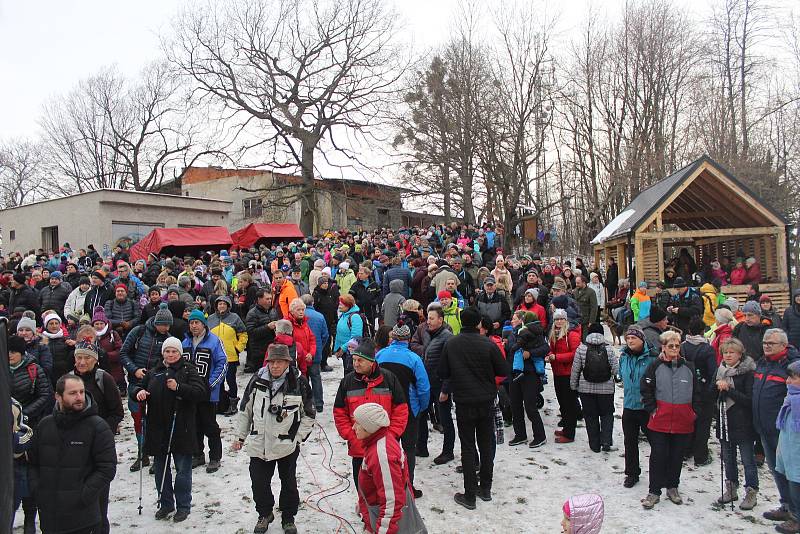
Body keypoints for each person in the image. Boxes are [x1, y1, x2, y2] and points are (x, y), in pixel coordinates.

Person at [232, 343, 316, 534]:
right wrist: (240, 436)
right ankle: (265, 513)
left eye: (280, 362)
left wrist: (298, 438)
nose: (275, 366)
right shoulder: (257, 380)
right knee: (259, 483)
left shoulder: (299, 382)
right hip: (259, 443)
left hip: (287, 445)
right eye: (272, 362)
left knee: (288, 484)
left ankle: (288, 518)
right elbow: (245, 410)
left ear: (288, 362)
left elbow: (309, 414)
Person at [28, 374, 117, 534]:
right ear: (58, 396)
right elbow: (33, 463)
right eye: (72, 393)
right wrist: (38, 491)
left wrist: (83, 495)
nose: (79, 397)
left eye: (82, 392)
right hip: (50, 519)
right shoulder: (44, 426)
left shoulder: (97, 426)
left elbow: (107, 468)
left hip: (84, 519)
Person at [438, 307, 508, 509]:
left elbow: (443, 371)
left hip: (464, 401)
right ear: (478, 323)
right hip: (485, 400)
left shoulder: (452, 343)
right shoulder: (488, 344)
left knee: (468, 446)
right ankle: (485, 488)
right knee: (486, 445)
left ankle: (470, 495)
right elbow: (503, 370)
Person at [134, 337, 208, 523]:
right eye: (167, 351)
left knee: (183, 470)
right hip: (157, 428)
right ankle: (166, 503)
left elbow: (200, 393)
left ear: (180, 353)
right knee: (161, 469)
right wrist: (138, 393)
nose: (170, 354)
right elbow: (136, 388)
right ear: (163, 353)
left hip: (181, 427)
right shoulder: (154, 371)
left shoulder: (189, 369)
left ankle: (183, 505)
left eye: (174, 351)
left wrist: (179, 387)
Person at [333, 338, 409, 487]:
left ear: (371, 362)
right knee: (362, 487)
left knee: (386, 486)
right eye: (354, 359)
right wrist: (350, 435)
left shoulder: (389, 379)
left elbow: (401, 410)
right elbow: (339, 412)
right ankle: (364, 509)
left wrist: (392, 434)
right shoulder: (347, 382)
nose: (355, 364)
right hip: (359, 447)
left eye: (360, 360)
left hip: (384, 448)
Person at [640, 330, 700, 509]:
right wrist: (652, 409)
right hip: (660, 419)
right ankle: (654, 490)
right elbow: (645, 388)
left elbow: (697, 392)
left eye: (677, 345)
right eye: (670, 345)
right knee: (658, 455)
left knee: (676, 455)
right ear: (663, 347)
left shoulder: (688, 366)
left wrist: (693, 412)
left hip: (683, 420)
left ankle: (673, 486)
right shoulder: (655, 365)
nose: (674, 348)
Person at [375, 321, 430, 494]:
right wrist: (422, 408)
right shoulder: (414, 358)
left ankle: (386, 485)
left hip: (384, 409)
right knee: (408, 449)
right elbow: (423, 387)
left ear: (393, 338)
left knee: (385, 449)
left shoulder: (380, 355)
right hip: (408, 409)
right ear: (407, 339)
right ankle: (407, 486)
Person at [353, 403, 425, 534]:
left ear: (369, 427)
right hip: (376, 512)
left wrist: (383, 530)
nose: (353, 427)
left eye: (358, 423)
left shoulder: (382, 455)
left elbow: (392, 500)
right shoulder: (375, 442)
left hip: (386, 520)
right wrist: (364, 505)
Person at [753, 328, 800, 525]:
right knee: (777, 470)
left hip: (784, 430)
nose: (766, 346)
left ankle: (796, 514)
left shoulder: (791, 366)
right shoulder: (762, 362)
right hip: (763, 426)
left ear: (783, 345)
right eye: (764, 342)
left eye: (770, 343)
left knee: (792, 472)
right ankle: (786, 505)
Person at [120, 303, 174, 471]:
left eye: (168, 325)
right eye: (163, 324)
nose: (165, 328)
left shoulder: (168, 340)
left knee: (156, 420)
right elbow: (124, 353)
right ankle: (141, 454)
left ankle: (156, 453)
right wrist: (134, 369)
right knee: (138, 420)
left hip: (155, 386)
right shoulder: (139, 332)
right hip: (136, 383)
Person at [9, 334, 52, 534]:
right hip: (7, 431)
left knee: (29, 477)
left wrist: (24, 414)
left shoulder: (34, 369)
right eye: (7, 352)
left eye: (14, 353)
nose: (10, 356)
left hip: (29, 429)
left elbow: (45, 394)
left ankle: (29, 519)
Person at [715, 337, 759, 510]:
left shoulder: (747, 373)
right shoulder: (720, 370)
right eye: (725, 352)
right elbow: (712, 393)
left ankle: (751, 491)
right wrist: (717, 388)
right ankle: (731, 488)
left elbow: (749, 400)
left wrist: (729, 390)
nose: (728, 355)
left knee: (748, 460)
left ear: (740, 354)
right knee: (728, 458)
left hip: (743, 423)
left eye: (731, 352)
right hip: (724, 421)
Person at [182, 308, 228, 471]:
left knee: (210, 425)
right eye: (191, 323)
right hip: (191, 393)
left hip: (208, 393)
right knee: (193, 425)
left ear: (203, 324)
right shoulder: (185, 342)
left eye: (197, 322)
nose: (194, 326)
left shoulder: (214, 341)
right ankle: (198, 454)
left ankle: (215, 456)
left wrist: (210, 383)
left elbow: (222, 363)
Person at [410, 303, 455, 465]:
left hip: (440, 383)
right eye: (428, 318)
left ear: (440, 320)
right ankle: (421, 446)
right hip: (425, 381)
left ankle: (448, 451)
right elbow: (415, 345)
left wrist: (446, 388)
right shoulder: (425, 331)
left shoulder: (447, 337)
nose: (428, 321)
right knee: (421, 414)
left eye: (431, 318)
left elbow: (451, 364)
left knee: (444, 418)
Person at [618, 326, 657, 488]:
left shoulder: (652, 358)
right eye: (628, 338)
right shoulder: (624, 357)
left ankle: (659, 473)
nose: (630, 341)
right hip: (629, 406)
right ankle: (632, 473)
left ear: (642, 339)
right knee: (630, 442)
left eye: (633, 338)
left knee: (655, 443)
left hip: (646, 408)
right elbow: (621, 375)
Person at [570, 323, 619, 453]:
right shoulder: (609, 349)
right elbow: (615, 370)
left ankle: (594, 445)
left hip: (586, 389)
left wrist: (574, 386)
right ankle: (606, 441)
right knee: (607, 414)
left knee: (590, 416)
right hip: (606, 389)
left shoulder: (581, 348)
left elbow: (575, 370)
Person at [507, 311, 549, 447]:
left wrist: (530, 353)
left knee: (530, 406)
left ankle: (540, 436)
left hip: (530, 373)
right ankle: (520, 435)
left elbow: (545, 348)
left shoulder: (535, 333)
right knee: (515, 405)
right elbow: (511, 349)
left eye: (515, 319)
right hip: (514, 373)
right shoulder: (512, 333)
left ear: (522, 320)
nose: (512, 321)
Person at [681, 318, 717, 467]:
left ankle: (686, 450)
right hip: (703, 391)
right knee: (703, 423)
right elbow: (712, 372)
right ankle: (700, 455)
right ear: (703, 331)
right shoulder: (707, 348)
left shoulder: (682, 346)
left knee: (689, 421)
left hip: (686, 389)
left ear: (689, 331)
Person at [207, 295, 248, 408]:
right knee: (218, 381)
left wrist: (238, 348)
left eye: (224, 304)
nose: (222, 306)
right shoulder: (210, 319)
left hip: (230, 356)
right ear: (216, 306)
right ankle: (220, 402)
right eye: (220, 304)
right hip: (214, 357)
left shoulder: (234, 317)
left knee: (231, 380)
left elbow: (243, 334)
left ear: (228, 306)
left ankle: (233, 401)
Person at [775, 361, 800, 533]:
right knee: (790, 481)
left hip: (797, 453)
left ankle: (796, 519)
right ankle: (791, 511)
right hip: (788, 449)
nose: (788, 381)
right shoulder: (791, 398)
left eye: (793, 378)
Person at [301, 293, 329, 412]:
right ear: (312, 302)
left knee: (303, 378)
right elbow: (325, 335)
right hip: (315, 353)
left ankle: (306, 402)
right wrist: (319, 347)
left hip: (302, 353)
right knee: (316, 378)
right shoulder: (320, 316)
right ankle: (318, 403)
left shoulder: (298, 315)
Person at [244, 289, 281, 373]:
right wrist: (267, 327)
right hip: (259, 351)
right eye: (267, 299)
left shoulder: (273, 310)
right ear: (259, 299)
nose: (269, 301)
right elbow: (251, 332)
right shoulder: (252, 313)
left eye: (270, 299)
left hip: (272, 348)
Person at [334, 294, 363, 375]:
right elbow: (339, 334)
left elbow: (356, 337)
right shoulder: (343, 315)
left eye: (341, 304)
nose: (339, 306)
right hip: (345, 353)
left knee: (351, 375)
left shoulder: (355, 317)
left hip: (352, 353)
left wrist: (342, 349)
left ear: (348, 305)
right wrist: (337, 349)